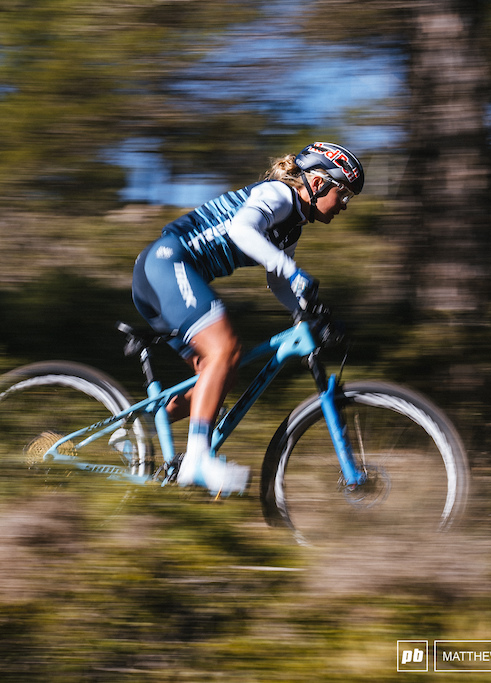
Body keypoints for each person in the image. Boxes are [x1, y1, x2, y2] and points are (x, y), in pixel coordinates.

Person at [131, 141, 365, 496]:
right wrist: (291, 269)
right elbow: (242, 231)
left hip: (164, 274)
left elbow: (277, 281)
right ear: (318, 184)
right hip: (167, 262)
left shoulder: (292, 226)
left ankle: (133, 429)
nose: (345, 206)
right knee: (225, 351)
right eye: (344, 194)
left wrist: (308, 308)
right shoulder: (280, 196)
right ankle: (196, 460)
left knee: (217, 378)